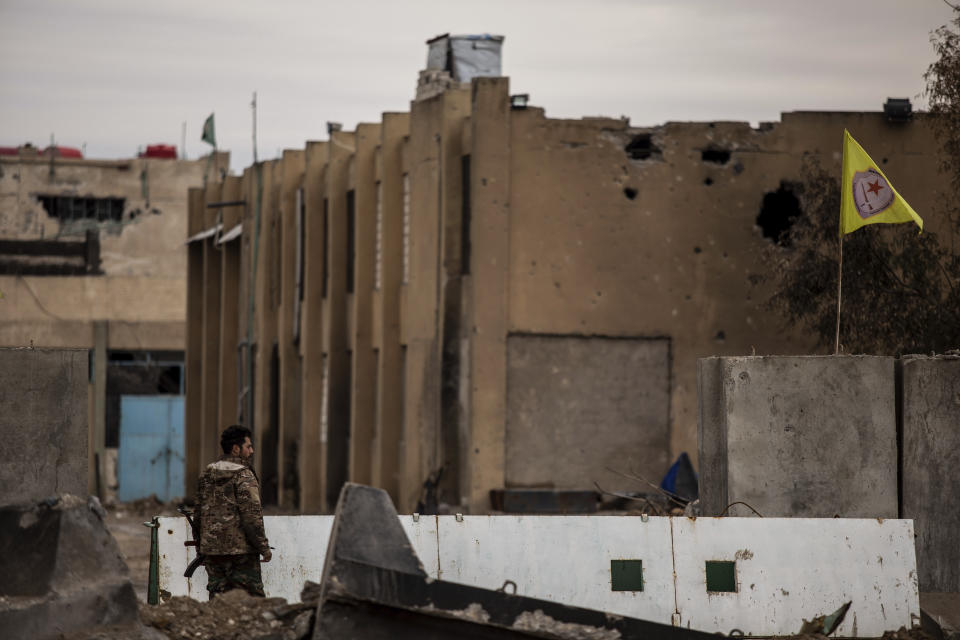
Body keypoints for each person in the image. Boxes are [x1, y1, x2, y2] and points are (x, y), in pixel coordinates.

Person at [195, 425, 272, 598]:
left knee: (218, 604)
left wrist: (201, 548)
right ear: (236, 449)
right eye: (248, 446)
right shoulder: (244, 476)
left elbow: (198, 515)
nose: (251, 451)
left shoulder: (207, 474)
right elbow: (252, 517)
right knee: (252, 603)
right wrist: (263, 548)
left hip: (212, 552)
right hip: (241, 554)